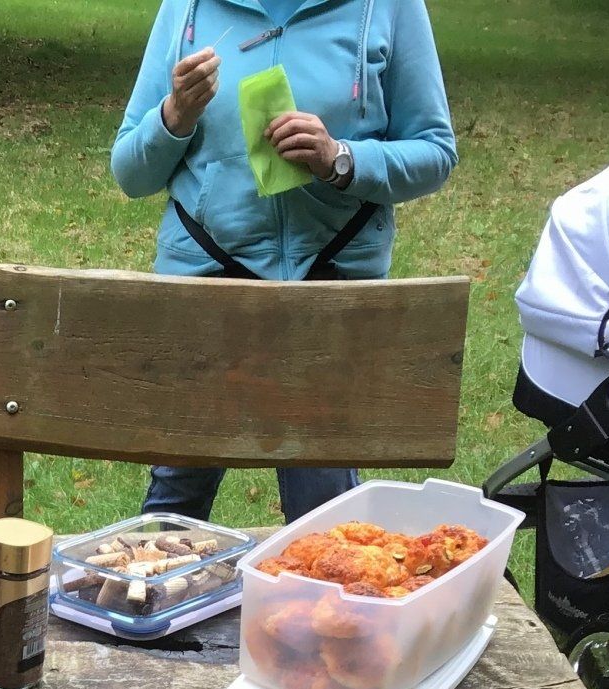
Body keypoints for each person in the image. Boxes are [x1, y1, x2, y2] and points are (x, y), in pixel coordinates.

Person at [109, 0, 456, 522]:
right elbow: (130, 173)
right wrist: (174, 115)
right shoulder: (187, 8)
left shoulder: (388, 7)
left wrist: (340, 158)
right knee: (174, 505)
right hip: (206, 279)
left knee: (324, 515)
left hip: (329, 286)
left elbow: (436, 151)